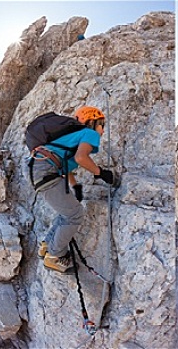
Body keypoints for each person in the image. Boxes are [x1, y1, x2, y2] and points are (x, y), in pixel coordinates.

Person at [32, 106, 118, 273]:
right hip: (44, 169)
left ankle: (47, 246)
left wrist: (75, 186)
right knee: (74, 214)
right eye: (102, 124)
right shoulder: (89, 133)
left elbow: (67, 163)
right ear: (92, 122)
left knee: (67, 212)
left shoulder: (71, 137)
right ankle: (55, 256)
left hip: (37, 168)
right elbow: (81, 157)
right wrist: (101, 173)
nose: (103, 130)